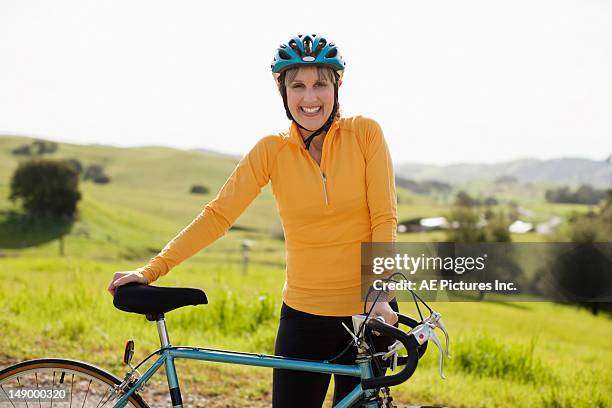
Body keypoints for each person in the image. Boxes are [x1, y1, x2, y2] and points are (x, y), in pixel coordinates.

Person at [108, 33, 399, 407]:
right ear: (284, 91)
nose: (309, 98)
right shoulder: (271, 150)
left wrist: (379, 294)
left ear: (337, 86)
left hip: (370, 314)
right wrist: (152, 269)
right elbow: (218, 215)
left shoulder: (365, 134)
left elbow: (384, 218)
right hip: (304, 316)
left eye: (320, 84)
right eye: (298, 86)